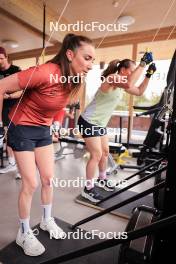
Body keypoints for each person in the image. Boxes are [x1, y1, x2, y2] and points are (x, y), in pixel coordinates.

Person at [0, 33, 95, 256]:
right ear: (70, 55)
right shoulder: (45, 71)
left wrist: (55, 126)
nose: (90, 65)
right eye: (87, 58)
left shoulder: (74, 79)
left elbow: (60, 105)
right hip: (21, 126)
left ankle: (46, 220)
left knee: (48, 179)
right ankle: (23, 232)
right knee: (30, 183)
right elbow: (2, 85)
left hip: (42, 129)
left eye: (93, 60)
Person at [78, 52, 156, 203]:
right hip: (88, 121)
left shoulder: (122, 85)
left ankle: (102, 179)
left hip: (100, 124)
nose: (134, 74)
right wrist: (142, 64)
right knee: (96, 155)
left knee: (105, 153)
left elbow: (139, 91)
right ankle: (87, 189)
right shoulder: (112, 78)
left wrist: (148, 74)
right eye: (132, 71)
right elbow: (128, 83)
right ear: (123, 70)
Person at [0, 47, 22, 178]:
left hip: (15, 107)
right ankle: (12, 163)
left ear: (6, 57)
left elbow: (22, 91)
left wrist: (8, 96)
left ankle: (21, 168)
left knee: (17, 137)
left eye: (1, 58)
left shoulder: (16, 70)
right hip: (3, 109)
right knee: (8, 137)